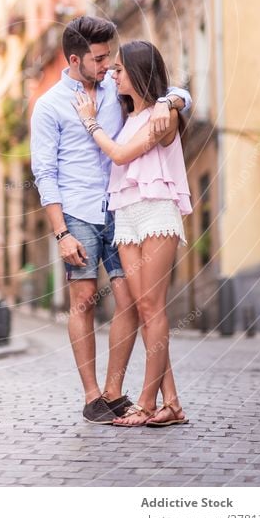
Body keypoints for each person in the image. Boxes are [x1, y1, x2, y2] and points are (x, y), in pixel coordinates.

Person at [30, 17, 191, 424]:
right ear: (74, 59)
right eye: (100, 60)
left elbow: (161, 86)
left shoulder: (117, 91)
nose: (107, 67)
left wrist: (175, 102)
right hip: (78, 211)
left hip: (122, 210)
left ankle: (115, 390)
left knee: (135, 302)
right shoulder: (49, 106)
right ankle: (92, 396)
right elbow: (45, 174)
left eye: (111, 61)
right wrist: (61, 232)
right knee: (83, 300)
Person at [73, 39, 192, 427]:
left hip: (156, 210)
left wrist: (90, 122)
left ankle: (144, 401)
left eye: (120, 69)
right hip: (125, 215)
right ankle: (170, 402)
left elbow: (121, 156)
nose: (113, 74)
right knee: (143, 308)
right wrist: (173, 97)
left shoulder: (164, 117)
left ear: (138, 72)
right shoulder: (129, 119)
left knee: (152, 307)